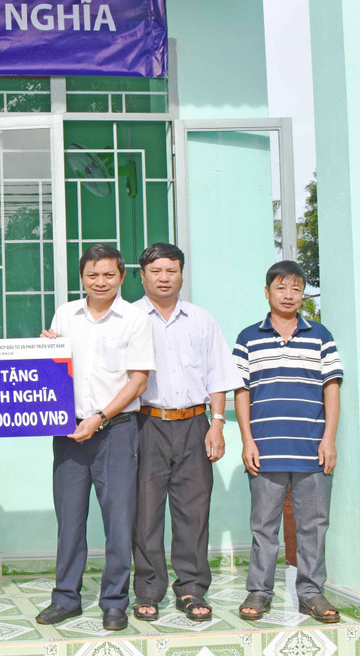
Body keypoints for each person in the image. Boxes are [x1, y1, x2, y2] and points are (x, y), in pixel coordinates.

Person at [37, 244, 154, 631]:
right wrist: (41, 350)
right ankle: (66, 598)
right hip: (69, 431)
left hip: (116, 432)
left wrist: (100, 418)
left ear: (122, 277)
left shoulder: (135, 320)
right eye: (92, 275)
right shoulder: (65, 315)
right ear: (81, 278)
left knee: (118, 521)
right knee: (69, 520)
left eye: (108, 275)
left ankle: (115, 602)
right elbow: (52, 371)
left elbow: (138, 381)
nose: (100, 282)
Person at [131, 243, 244, 622]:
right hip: (146, 424)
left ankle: (192, 589)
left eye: (172, 271)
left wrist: (217, 424)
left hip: (196, 424)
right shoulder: (129, 318)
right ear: (142, 275)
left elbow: (218, 374)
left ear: (182, 274)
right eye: (156, 271)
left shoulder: (201, 319)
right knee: (145, 514)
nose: (164, 278)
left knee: (194, 513)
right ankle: (147, 590)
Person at [233, 260, 342, 623]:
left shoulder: (320, 335)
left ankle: (311, 592)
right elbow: (241, 392)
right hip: (265, 449)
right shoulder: (248, 337)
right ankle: (259, 591)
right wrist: (247, 440)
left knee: (314, 524)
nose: (289, 295)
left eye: (296, 288)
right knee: (263, 525)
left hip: (313, 449)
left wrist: (329, 438)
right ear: (267, 293)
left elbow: (332, 389)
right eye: (281, 288)